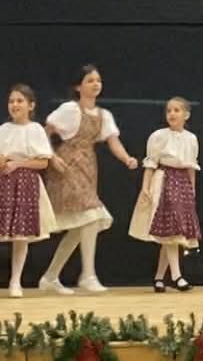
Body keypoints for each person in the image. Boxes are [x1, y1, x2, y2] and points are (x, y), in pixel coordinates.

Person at [39, 65, 139, 294]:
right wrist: (52, 157)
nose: (96, 84)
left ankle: (51, 276)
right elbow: (45, 133)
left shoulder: (104, 116)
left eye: (98, 80)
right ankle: (88, 275)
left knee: (82, 224)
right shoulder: (69, 109)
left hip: (87, 168)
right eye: (90, 80)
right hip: (66, 166)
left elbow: (113, 141)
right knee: (91, 216)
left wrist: (127, 158)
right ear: (79, 86)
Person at [0, 84, 56, 298]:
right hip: (0, 181)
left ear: (31, 105)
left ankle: (15, 281)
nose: (15, 105)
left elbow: (43, 162)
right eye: (12, 101)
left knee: (21, 234)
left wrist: (18, 163)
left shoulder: (35, 130)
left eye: (20, 101)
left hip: (25, 183)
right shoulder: (3, 129)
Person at [130, 96, 202, 292]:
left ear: (186, 115)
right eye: (169, 110)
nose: (171, 114)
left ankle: (159, 277)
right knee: (172, 231)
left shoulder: (191, 139)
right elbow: (151, 163)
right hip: (164, 181)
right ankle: (177, 276)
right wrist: (145, 187)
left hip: (182, 183)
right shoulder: (159, 136)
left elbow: (191, 167)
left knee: (173, 233)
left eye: (176, 110)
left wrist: (192, 189)